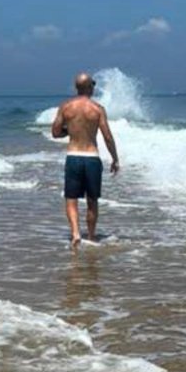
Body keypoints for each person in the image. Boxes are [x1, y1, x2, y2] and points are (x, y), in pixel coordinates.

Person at [51, 72, 120, 246]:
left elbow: (55, 132)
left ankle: (75, 233)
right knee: (92, 200)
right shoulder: (97, 109)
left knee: (71, 199)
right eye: (93, 85)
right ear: (89, 87)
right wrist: (115, 158)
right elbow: (108, 137)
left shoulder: (66, 107)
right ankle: (90, 236)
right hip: (91, 158)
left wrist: (71, 131)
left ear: (77, 88)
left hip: (73, 157)